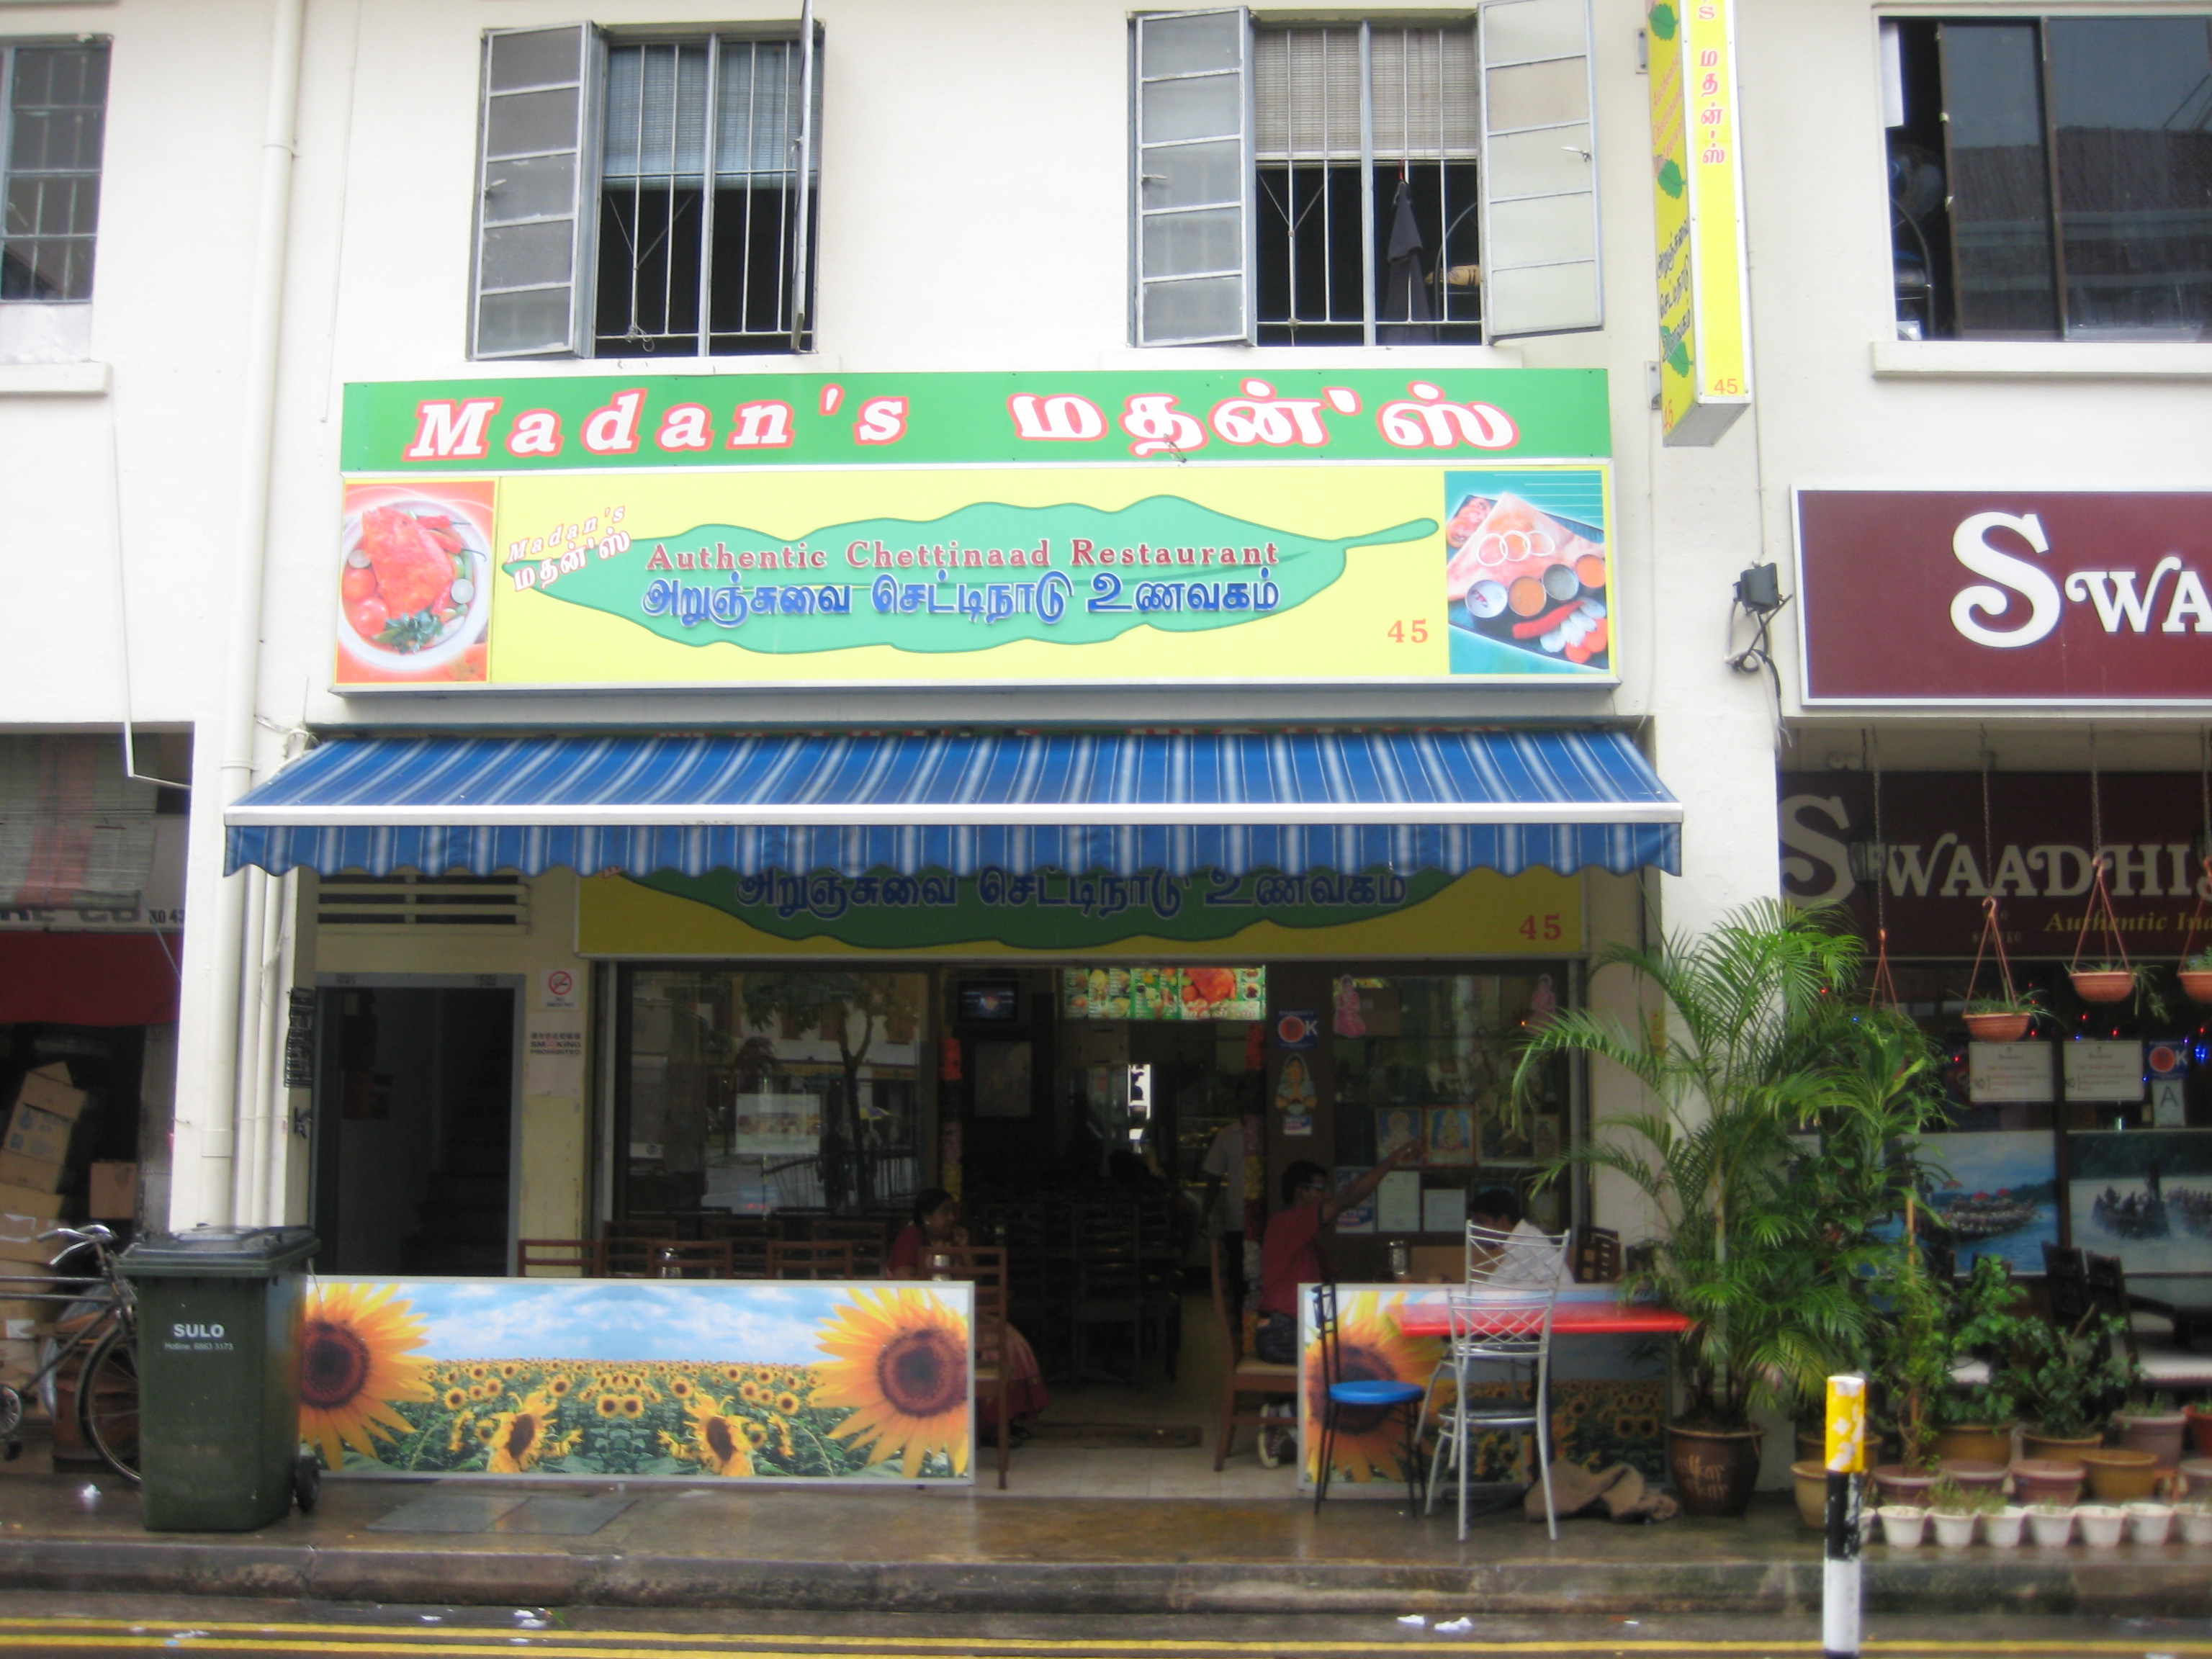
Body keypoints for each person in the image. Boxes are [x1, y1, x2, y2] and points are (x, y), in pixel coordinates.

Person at [888, 1188, 1051, 1436]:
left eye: (952, 1212)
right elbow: (904, 1281)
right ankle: (988, 1426)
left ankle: (1004, 1420)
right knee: (989, 1346)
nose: (952, 1218)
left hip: (956, 1314)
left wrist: (963, 1249)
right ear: (927, 1217)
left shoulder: (951, 1239)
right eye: (945, 1212)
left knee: (1010, 1339)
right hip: (919, 1319)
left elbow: (974, 1282)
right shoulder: (912, 1237)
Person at [1254, 1143, 1418, 1365]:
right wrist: (1391, 1162)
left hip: (1292, 1329)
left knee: (1370, 1349)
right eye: (1321, 1189)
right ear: (1301, 1192)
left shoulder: (1304, 1242)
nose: (1328, 1195)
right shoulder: (1288, 1222)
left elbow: (1335, 1277)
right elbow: (1347, 1199)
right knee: (1361, 1361)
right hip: (1282, 1334)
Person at [1468, 1187, 1566, 1286]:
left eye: (1481, 1222)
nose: (1476, 1229)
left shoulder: (1526, 1245)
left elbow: (1494, 1288)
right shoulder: (1527, 1236)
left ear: (1503, 1221)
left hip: (1563, 1296)